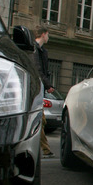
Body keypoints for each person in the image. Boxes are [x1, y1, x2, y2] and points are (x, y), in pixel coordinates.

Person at [33, 26, 55, 158]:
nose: (48, 37)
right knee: (40, 119)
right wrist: (48, 85)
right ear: (43, 34)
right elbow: (38, 70)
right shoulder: (34, 50)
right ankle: (45, 148)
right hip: (35, 88)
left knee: (41, 120)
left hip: (39, 88)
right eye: (48, 34)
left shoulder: (42, 51)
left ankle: (41, 147)